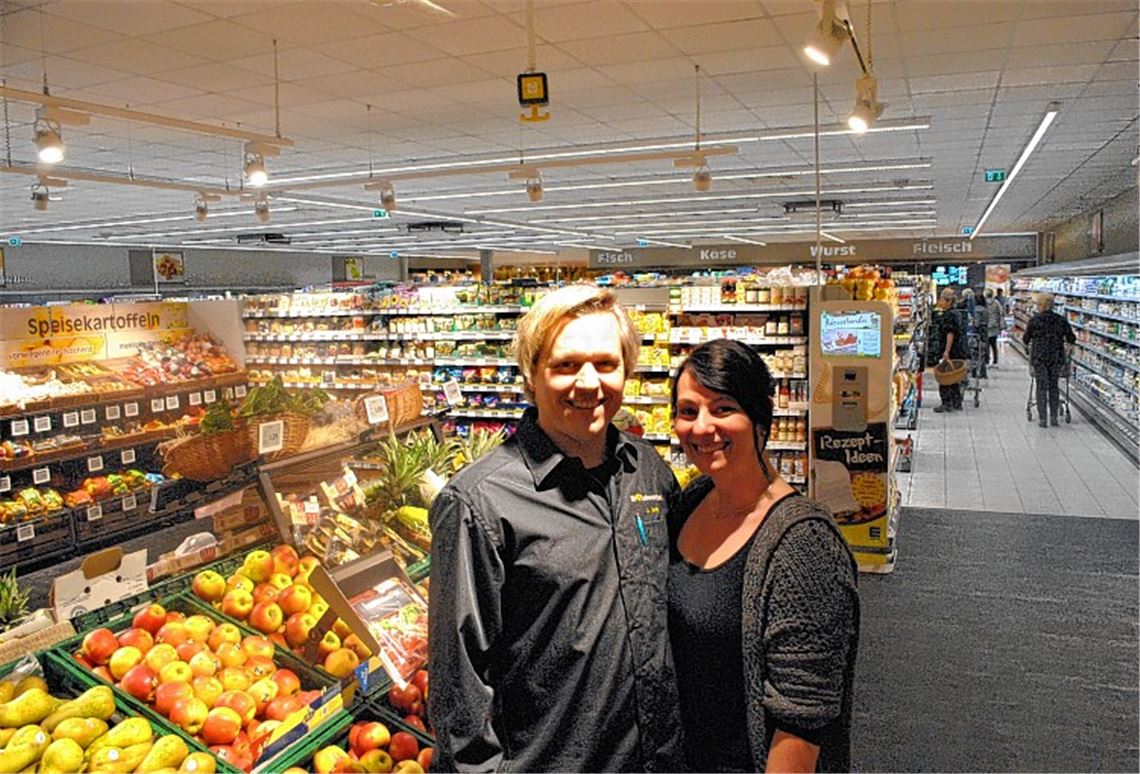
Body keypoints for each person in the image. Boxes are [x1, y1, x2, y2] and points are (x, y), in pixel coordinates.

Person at [427, 285, 683, 772]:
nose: (589, 383)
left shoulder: (648, 472)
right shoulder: (478, 503)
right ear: (531, 373)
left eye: (606, 364)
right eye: (565, 365)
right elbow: (458, 690)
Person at [667, 339, 859, 773]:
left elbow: (802, 725)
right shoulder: (691, 501)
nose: (701, 427)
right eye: (687, 411)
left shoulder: (803, 543)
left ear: (760, 419)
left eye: (723, 408)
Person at [1022, 291, 1076, 428]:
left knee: (1041, 386)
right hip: (1056, 357)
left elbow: (1026, 338)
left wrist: (1029, 345)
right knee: (1053, 386)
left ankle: (1042, 418)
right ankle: (1053, 417)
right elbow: (1071, 338)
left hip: (1039, 357)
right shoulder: (1061, 319)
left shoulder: (1035, 320)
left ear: (1040, 305)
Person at [930, 287, 968, 412]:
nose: (939, 302)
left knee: (945, 376)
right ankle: (957, 402)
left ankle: (946, 403)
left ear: (948, 301)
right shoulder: (956, 313)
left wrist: (946, 351)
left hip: (951, 350)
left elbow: (950, 334)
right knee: (955, 377)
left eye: (941, 300)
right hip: (958, 349)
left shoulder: (949, 315)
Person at [984, 288, 1004, 366]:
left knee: (987, 344)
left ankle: (987, 360)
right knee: (994, 344)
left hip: (987, 326)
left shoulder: (984, 303)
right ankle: (995, 360)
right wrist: (1000, 324)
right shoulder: (996, 302)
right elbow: (1001, 312)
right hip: (995, 326)